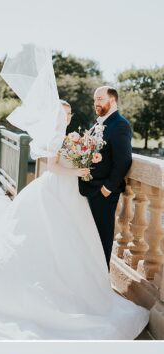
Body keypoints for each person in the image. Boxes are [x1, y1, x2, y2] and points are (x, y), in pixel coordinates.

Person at [0, 46, 148, 340]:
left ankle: (81, 290)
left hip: (79, 192)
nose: (69, 116)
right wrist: (78, 170)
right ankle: (65, 293)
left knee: (74, 242)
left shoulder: (99, 129)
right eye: (64, 112)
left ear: (112, 99)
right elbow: (51, 165)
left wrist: (90, 172)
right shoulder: (61, 135)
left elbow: (115, 158)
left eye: (99, 99)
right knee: (56, 241)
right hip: (64, 189)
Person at [78, 87, 133, 268]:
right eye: (95, 100)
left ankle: (101, 279)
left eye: (100, 98)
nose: (96, 103)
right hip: (89, 189)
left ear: (113, 100)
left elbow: (123, 161)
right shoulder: (97, 124)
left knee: (102, 238)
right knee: (89, 239)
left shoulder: (120, 124)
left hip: (103, 193)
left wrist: (107, 188)